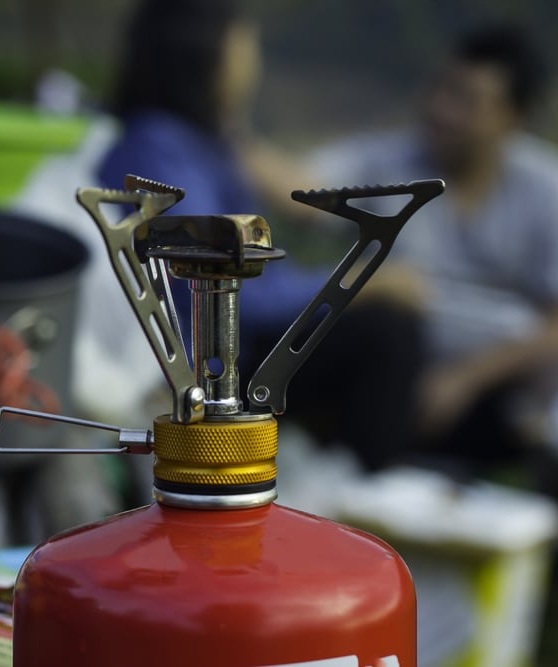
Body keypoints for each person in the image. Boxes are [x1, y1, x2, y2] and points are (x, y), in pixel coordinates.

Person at [97, 0, 425, 471]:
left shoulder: (189, 143)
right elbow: (236, 292)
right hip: (205, 368)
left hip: (229, 350)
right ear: (205, 55)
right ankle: (374, 490)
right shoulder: (159, 151)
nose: (253, 64)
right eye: (244, 47)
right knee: (386, 331)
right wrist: (362, 280)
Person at [310, 23, 558, 476]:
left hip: (501, 382)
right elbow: (304, 190)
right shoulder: (390, 162)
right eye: (442, 88)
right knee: (384, 327)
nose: (442, 110)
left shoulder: (544, 188)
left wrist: (465, 379)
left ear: (512, 116)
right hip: (394, 373)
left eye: (466, 99)